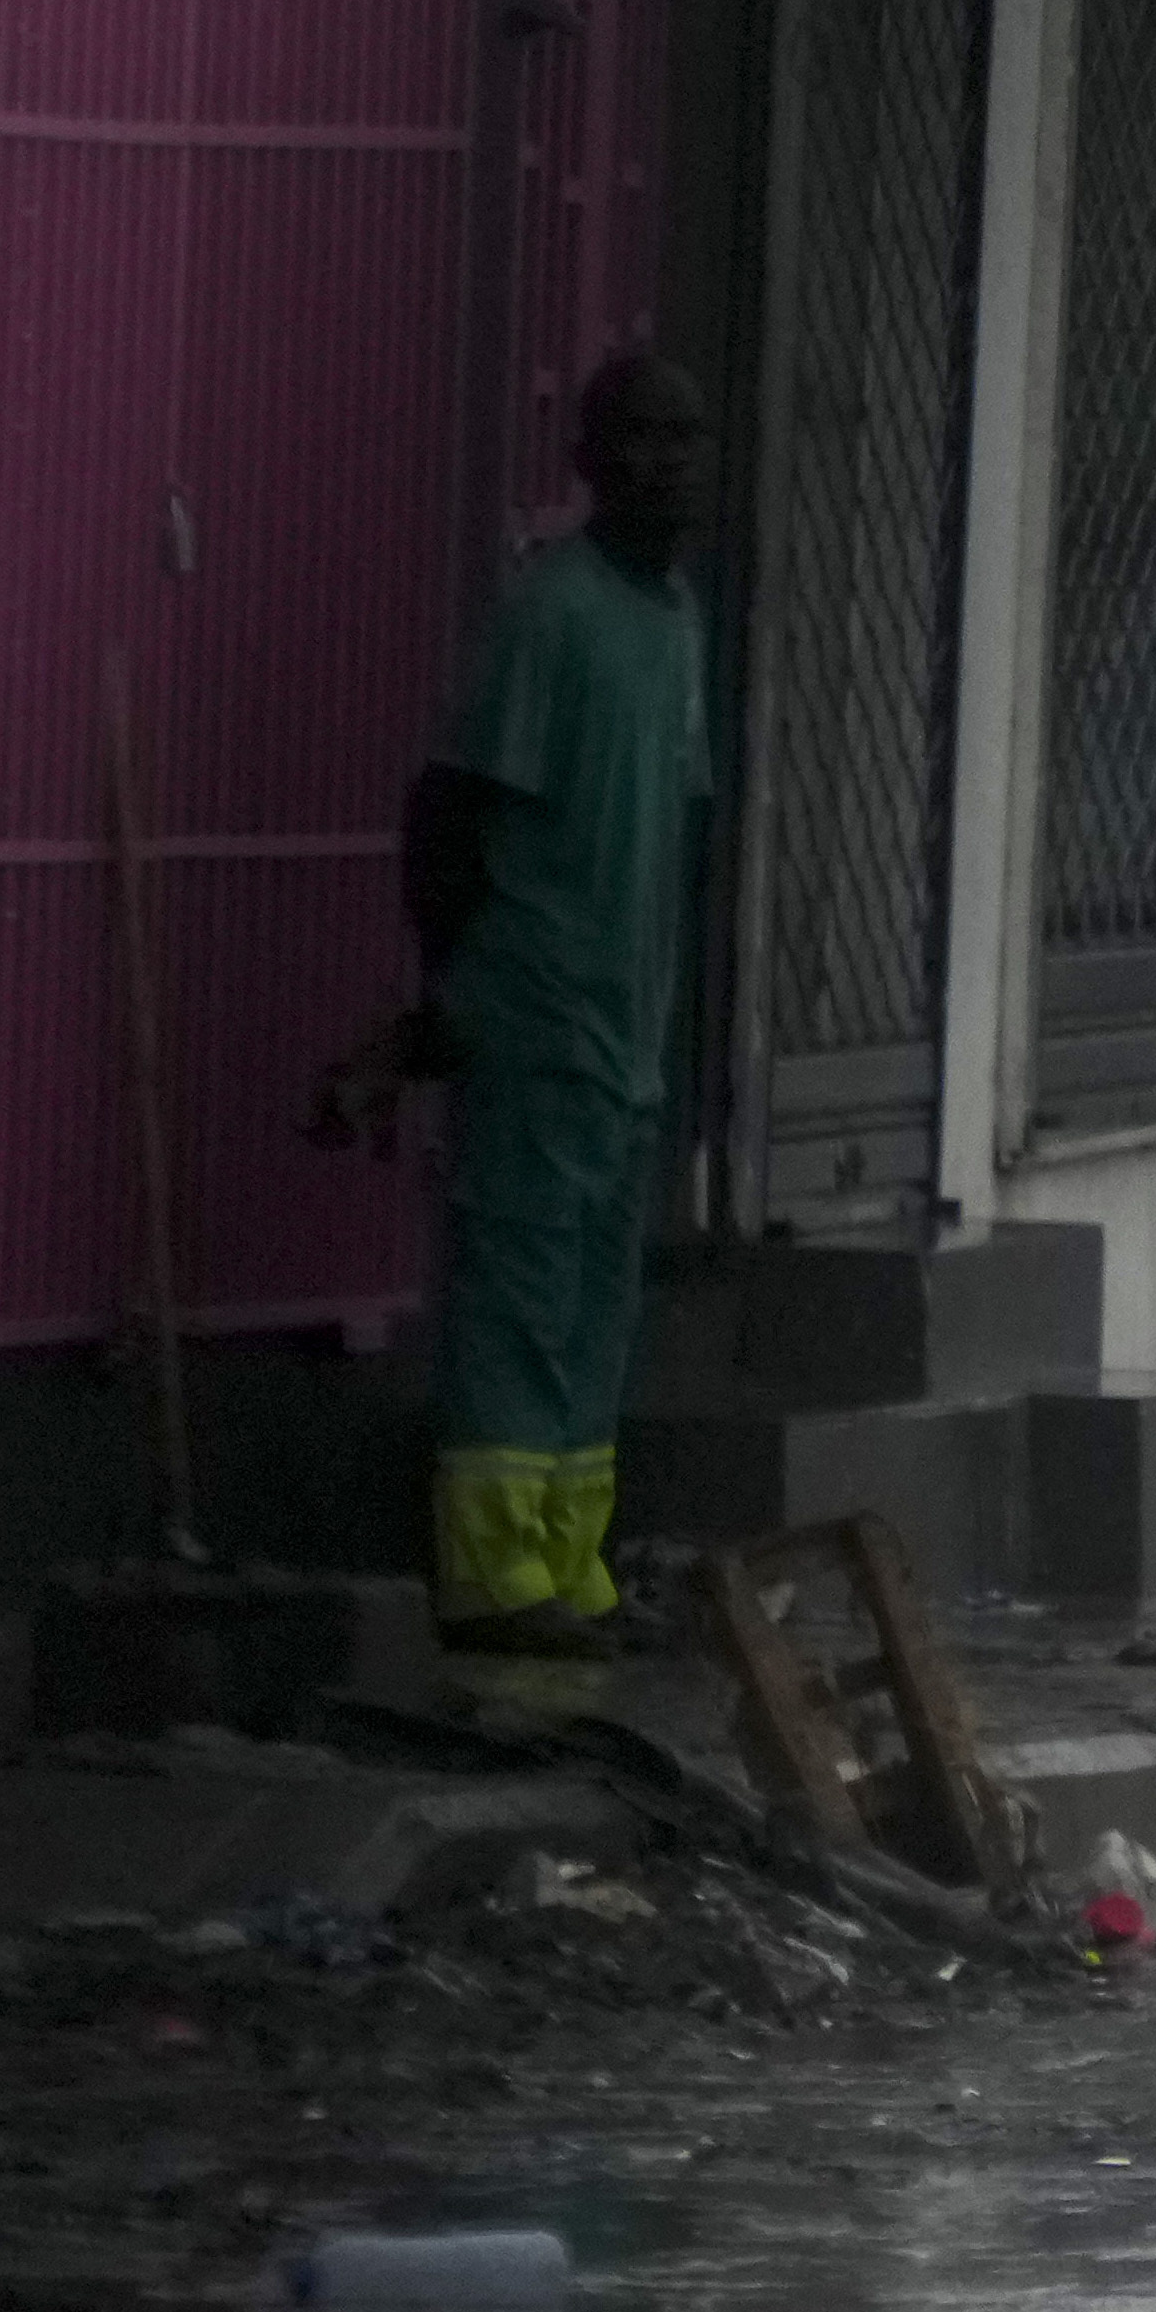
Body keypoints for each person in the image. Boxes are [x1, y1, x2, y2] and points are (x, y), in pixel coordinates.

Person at [392, 356, 717, 1655]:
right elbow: (451, 811)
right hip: (537, 1022)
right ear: (590, 458)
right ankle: (491, 1576)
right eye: (643, 440)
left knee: (594, 1312)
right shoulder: (552, 614)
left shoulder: (675, 619)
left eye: (689, 441)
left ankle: (570, 1564)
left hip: (623, 1041)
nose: (672, 465)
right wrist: (464, 988)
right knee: (520, 1297)